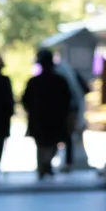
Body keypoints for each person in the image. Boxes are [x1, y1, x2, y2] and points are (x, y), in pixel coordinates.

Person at [21, 49, 74, 180]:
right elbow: (67, 100)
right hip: (55, 119)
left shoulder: (34, 82)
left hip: (39, 119)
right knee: (52, 143)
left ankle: (43, 166)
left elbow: (25, 101)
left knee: (41, 144)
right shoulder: (60, 81)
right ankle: (45, 165)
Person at [54, 55, 90, 172]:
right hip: (71, 109)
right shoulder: (69, 72)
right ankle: (68, 162)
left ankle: (61, 162)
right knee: (68, 136)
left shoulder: (59, 73)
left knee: (63, 135)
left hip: (65, 109)